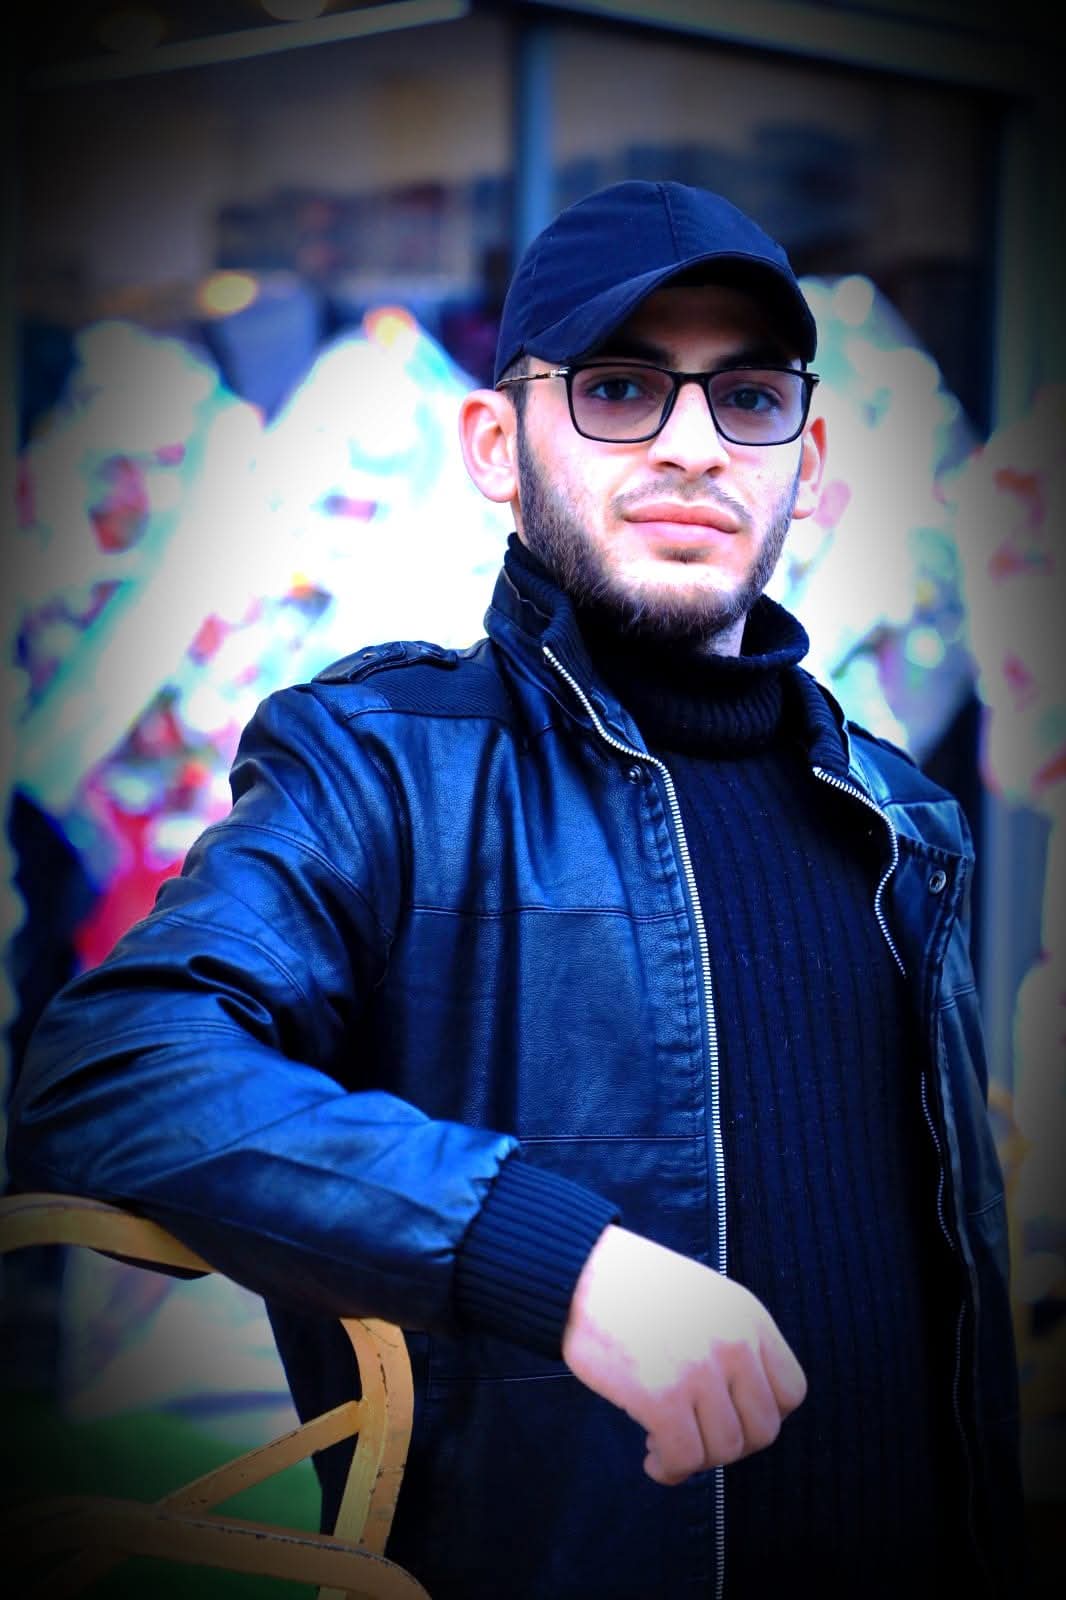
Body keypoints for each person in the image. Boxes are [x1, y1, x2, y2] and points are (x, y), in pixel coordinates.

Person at [6, 181, 1024, 1598]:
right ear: (496, 444)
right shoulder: (381, 768)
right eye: (619, 388)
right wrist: (553, 1258)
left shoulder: (900, 815)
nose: (691, 444)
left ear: (805, 457)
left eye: (745, 398)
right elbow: (112, 1069)